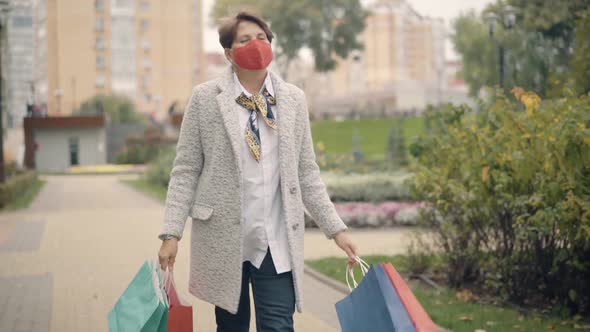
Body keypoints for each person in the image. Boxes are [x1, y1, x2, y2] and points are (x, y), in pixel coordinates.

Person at [157, 11, 358, 332]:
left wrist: (337, 230)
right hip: (224, 239)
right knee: (231, 328)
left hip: (275, 240)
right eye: (245, 39)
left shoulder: (292, 99)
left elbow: (306, 172)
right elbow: (185, 170)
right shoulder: (205, 99)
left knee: (278, 326)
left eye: (262, 37)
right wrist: (171, 233)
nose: (257, 44)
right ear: (228, 53)